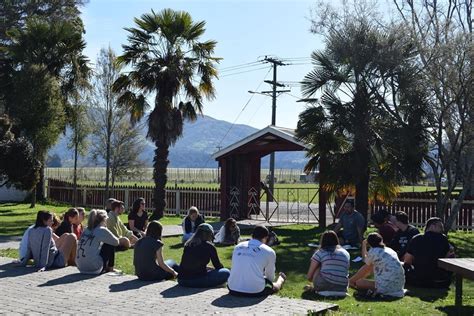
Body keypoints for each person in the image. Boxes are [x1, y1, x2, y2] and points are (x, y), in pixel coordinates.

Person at [227, 225, 286, 297]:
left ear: (252, 236)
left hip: (232, 288)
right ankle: (281, 279)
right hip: (255, 291)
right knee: (274, 286)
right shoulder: (269, 251)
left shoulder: (238, 247)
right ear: (266, 238)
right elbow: (270, 277)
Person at [349, 233, 405, 298]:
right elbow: (368, 260)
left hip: (387, 287)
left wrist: (363, 245)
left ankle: (351, 281)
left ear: (369, 243)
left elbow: (365, 260)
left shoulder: (374, 251)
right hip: (399, 287)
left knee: (359, 282)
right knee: (370, 265)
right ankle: (351, 281)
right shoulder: (390, 250)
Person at [403, 217, 453, 288]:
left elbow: (407, 260)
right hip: (438, 280)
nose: (442, 229)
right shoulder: (443, 239)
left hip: (418, 279)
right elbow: (448, 258)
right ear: (432, 226)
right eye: (440, 227)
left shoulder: (416, 239)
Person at [178, 223, 230, 288]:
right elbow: (218, 266)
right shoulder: (209, 246)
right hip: (196, 280)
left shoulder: (188, 244)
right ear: (209, 234)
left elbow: (190, 263)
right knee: (226, 272)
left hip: (181, 280)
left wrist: (206, 267)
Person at [76, 209, 120, 274]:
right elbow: (116, 242)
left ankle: (107, 267)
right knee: (110, 243)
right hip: (94, 268)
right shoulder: (101, 230)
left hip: (80, 267)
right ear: (103, 220)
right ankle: (110, 268)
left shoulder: (86, 229)